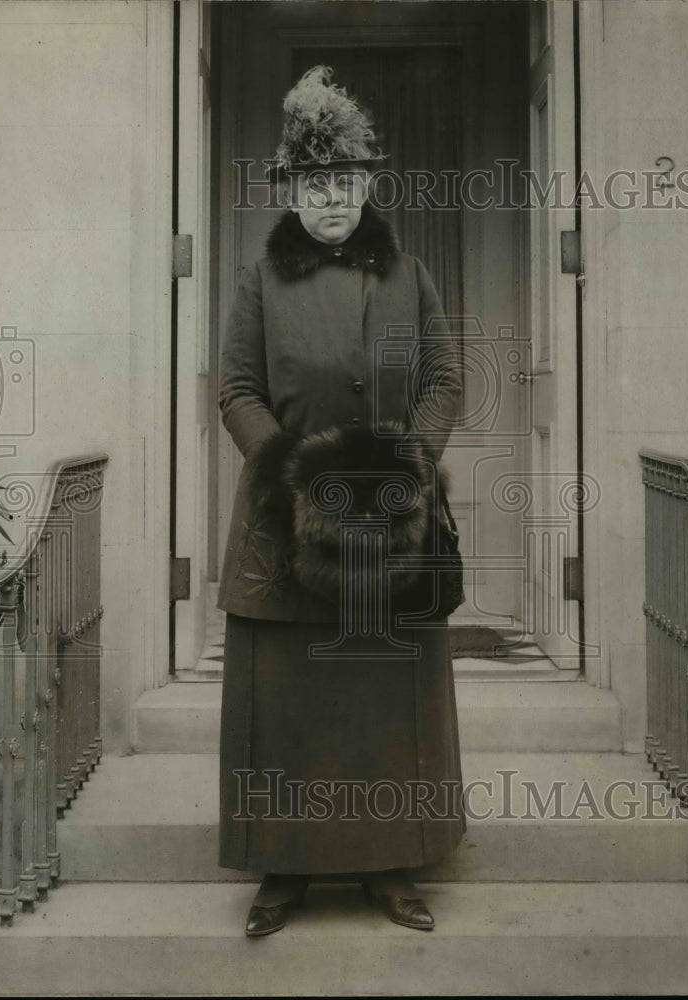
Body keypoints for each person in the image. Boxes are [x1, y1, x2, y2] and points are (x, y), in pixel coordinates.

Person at [216, 66, 465, 938]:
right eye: (313, 183)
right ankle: (281, 872)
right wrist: (291, 477)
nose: (330, 198)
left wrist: (406, 472)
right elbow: (236, 391)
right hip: (286, 525)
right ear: (291, 188)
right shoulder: (260, 282)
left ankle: (391, 867)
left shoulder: (411, 276)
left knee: (381, 699)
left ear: (367, 184)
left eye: (345, 181)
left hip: (394, 523)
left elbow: (444, 380)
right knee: (287, 703)